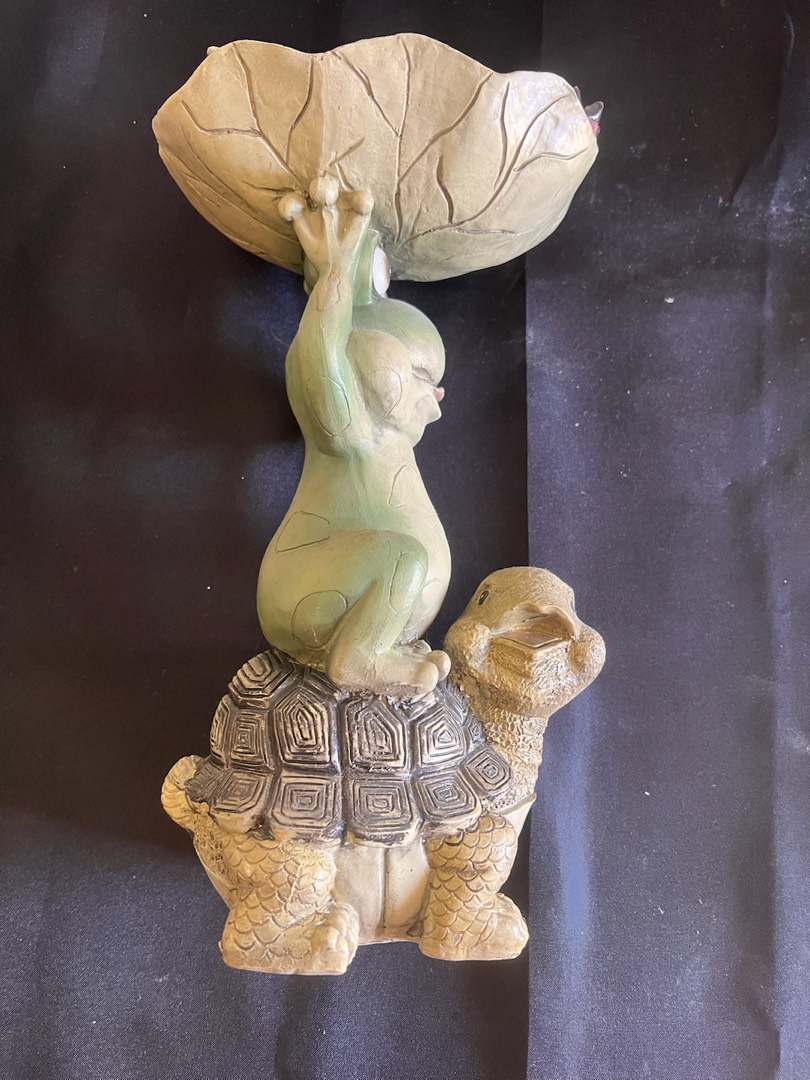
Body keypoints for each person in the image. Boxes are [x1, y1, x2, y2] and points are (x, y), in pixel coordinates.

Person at [257, 178, 451, 697]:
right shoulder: (348, 431)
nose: (434, 394)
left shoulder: (389, 442)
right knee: (401, 557)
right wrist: (336, 274)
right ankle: (358, 659)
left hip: (348, 588)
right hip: (303, 588)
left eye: (433, 381)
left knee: (402, 558)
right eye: (414, 372)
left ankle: (376, 645)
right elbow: (320, 355)